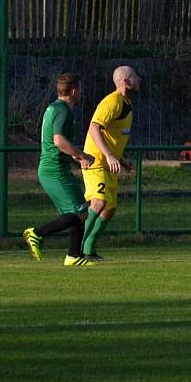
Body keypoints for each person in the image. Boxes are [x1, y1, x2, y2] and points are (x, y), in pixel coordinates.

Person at [22, 73, 96, 266]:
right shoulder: (63, 111)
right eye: (79, 89)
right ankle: (37, 233)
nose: (81, 92)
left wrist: (75, 158)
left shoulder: (53, 108)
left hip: (56, 169)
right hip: (54, 171)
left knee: (80, 211)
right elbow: (59, 141)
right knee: (79, 213)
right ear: (73, 91)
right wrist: (83, 156)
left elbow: (60, 143)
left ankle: (73, 256)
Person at [80, 66, 141, 260]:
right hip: (95, 160)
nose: (139, 79)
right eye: (135, 77)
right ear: (127, 82)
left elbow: (111, 135)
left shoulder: (125, 104)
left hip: (108, 163)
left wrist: (120, 161)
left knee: (109, 208)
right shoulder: (112, 101)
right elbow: (94, 128)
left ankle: (88, 249)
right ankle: (76, 249)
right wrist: (108, 155)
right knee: (99, 202)